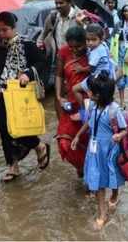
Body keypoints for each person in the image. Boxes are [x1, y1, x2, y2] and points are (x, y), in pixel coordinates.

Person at [0, 11, 50, 183]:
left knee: (20, 129)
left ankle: (39, 146)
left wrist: (28, 73)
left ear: (14, 28)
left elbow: (42, 62)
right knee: (5, 130)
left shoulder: (27, 45)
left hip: (21, 95)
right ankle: (13, 165)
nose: (1, 34)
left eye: (5, 30)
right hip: (2, 95)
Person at [71, 71, 127, 230]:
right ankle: (102, 214)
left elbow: (125, 129)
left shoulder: (114, 110)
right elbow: (89, 122)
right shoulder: (93, 106)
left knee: (112, 176)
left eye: (92, 92)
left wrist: (118, 135)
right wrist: (77, 135)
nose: (88, 93)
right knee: (98, 181)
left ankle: (115, 194)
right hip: (94, 151)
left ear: (101, 95)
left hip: (109, 151)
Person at [55, 26, 89, 177]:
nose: (74, 50)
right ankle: (82, 166)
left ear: (86, 42)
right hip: (69, 104)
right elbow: (59, 75)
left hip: (89, 105)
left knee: (88, 141)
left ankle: (91, 174)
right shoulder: (63, 52)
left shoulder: (94, 53)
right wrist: (58, 96)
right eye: (71, 47)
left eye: (79, 46)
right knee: (64, 142)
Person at [72, 23, 114, 109]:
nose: (90, 43)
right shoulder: (103, 45)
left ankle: (83, 110)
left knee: (75, 89)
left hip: (97, 78)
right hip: (108, 75)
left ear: (101, 39)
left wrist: (80, 69)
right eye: (88, 40)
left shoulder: (96, 52)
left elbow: (90, 68)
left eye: (93, 40)